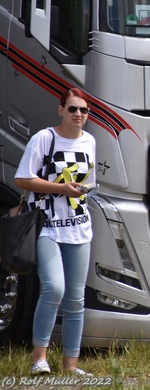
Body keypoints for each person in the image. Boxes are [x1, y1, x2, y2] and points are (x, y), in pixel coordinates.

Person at [15, 88, 97, 376]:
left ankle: (71, 364)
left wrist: (81, 190)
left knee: (76, 298)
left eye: (84, 110)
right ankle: (40, 358)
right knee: (54, 288)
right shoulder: (44, 138)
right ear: (60, 110)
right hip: (46, 225)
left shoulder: (89, 141)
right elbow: (23, 179)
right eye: (73, 109)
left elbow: (89, 180)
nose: (78, 115)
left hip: (79, 227)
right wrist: (60, 188)